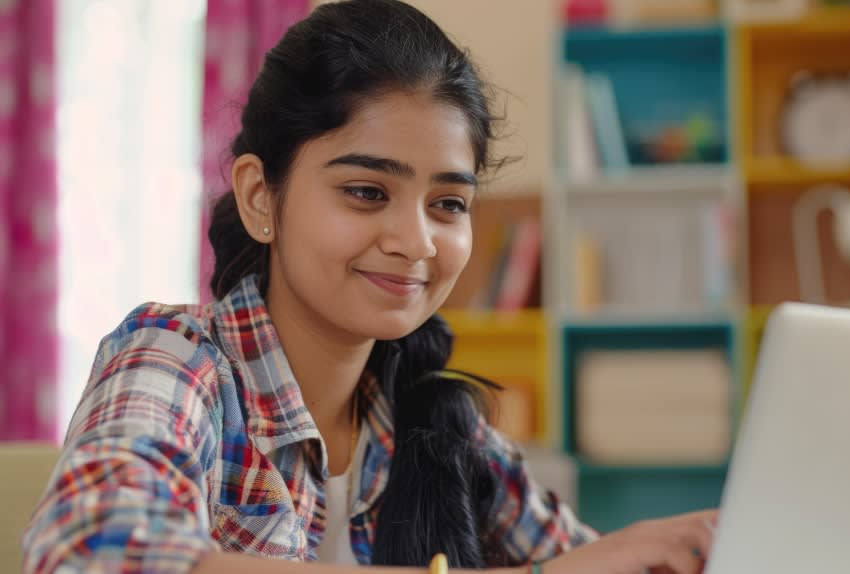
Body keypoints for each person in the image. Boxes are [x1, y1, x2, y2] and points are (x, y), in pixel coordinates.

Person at [21, 1, 717, 572]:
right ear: (262, 198)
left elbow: (579, 558)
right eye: (365, 191)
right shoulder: (176, 357)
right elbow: (92, 552)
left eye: (448, 204)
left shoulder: (436, 422)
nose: (416, 242)